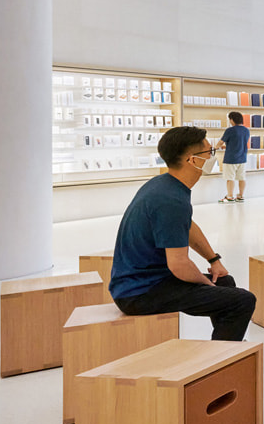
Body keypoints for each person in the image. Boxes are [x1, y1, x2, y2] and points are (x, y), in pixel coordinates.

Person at [110, 126, 256, 341]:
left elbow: (187, 226)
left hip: (142, 281)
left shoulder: (165, 185)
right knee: (242, 301)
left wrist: (213, 260)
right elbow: (179, 265)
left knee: (225, 282)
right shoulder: (171, 200)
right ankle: (221, 358)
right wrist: (205, 284)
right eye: (209, 152)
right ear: (192, 160)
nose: (212, 157)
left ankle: (225, 347)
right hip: (140, 292)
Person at [215, 111, 249, 203]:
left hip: (231, 159)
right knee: (242, 178)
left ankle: (230, 196)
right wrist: (227, 146)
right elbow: (239, 143)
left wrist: (215, 147)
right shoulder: (246, 130)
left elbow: (221, 142)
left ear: (232, 120)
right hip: (242, 158)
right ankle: (241, 196)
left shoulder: (230, 130)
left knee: (230, 178)